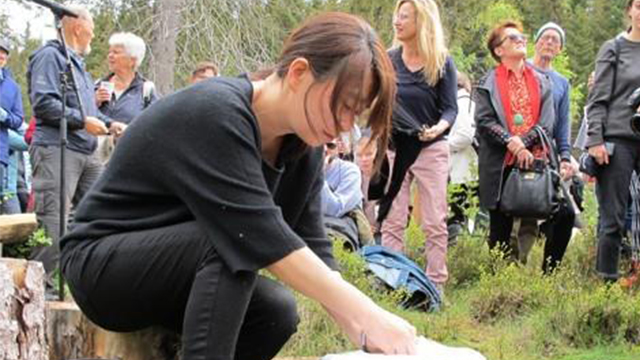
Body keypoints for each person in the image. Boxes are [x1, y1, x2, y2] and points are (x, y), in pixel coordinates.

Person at [60, 12, 417, 359]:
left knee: (277, 312)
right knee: (234, 243)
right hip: (102, 266)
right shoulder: (217, 112)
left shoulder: (302, 150)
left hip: (175, 274)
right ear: (299, 72)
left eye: (356, 115)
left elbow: (315, 246)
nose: (345, 125)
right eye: (344, 106)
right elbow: (257, 235)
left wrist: (359, 326)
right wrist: (369, 312)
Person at [26, 6, 126, 279]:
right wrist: (83, 122)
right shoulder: (50, 56)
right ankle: (40, 292)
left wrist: (107, 124)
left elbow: (84, 109)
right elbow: (44, 103)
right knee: (53, 223)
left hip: (86, 151)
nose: (94, 34)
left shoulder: (77, 63)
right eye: (91, 27)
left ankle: (83, 282)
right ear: (77, 26)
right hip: (57, 149)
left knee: (99, 214)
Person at [380, 0, 458, 291]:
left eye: (404, 17)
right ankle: (390, 283)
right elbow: (378, 103)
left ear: (422, 22)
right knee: (392, 218)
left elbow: (450, 109)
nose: (397, 22)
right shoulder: (388, 59)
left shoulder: (441, 61)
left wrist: (439, 127)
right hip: (394, 148)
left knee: (435, 220)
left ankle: (435, 285)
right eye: (396, 16)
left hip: (431, 149)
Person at [475, 21, 555, 260]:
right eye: (512, 38)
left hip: (533, 160)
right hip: (500, 163)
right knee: (499, 229)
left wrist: (524, 143)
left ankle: (519, 278)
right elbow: (485, 120)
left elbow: (546, 124)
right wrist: (511, 142)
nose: (520, 40)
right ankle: (497, 281)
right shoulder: (486, 82)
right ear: (499, 50)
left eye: (522, 36)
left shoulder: (542, 81)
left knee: (529, 223)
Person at [509, 22, 577, 272]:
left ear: (559, 49)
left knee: (549, 212)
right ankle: (506, 269)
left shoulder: (561, 83)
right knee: (514, 211)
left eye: (555, 40)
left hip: (545, 156)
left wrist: (566, 156)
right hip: (514, 150)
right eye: (546, 38)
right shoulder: (520, 70)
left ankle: (534, 271)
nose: (549, 43)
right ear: (536, 42)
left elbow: (562, 125)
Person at [586, 0, 640, 282]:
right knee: (613, 218)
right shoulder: (614, 48)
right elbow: (598, 100)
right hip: (619, 140)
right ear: (630, 11)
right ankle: (606, 287)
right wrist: (595, 139)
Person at [94, 32, 158, 163]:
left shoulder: (146, 90)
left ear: (133, 60)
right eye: (110, 52)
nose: (110, 56)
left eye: (116, 52)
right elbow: (83, 114)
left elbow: (153, 123)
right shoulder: (97, 85)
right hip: (95, 156)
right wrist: (94, 101)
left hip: (127, 157)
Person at [447, 71, 477, 245]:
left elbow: (465, 136)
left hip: (461, 172)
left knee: (456, 219)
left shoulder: (461, 104)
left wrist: (442, 145)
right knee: (462, 217)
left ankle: (457, 253)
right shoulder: (469, 104)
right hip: (467, 171)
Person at [322, 139, 365, 250]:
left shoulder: (350, 171)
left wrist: (319, 173)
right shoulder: (302, 167)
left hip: (340, 229)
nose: (325, 150)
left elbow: (335, 209)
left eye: (330, 145)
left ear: (339, 146)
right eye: (319, 145)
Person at [0, 38, 25, 211]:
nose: (1, 56)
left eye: (4, 54)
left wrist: (3, 116)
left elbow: (18, 119)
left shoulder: (12, 87)